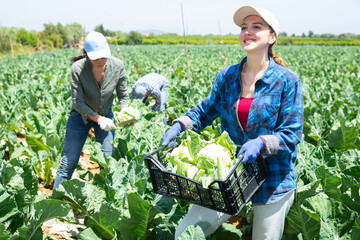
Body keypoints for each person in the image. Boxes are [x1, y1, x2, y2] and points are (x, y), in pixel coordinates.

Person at [162, 6, 303, 240]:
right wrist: (180, 124)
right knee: (185, 233)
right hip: (229, 174)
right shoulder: (227, 76)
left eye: (256, 27)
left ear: (272, 37)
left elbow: (292, 134)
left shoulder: (287, 81)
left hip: (273, 178)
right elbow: (205, 111)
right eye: (243, 28)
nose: (247, 32)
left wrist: (261, 142)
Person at [53, 31, 129, 189]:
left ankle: (109, 204)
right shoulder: (77, 69)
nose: (101, 61)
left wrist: (125, 113)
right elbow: (78, 102)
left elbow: (123, 96)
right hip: (79, 118)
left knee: (107, 163)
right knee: (69, 162)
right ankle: (56, 203)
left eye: (104, 57)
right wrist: (98, 119)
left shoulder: (118, 66)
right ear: (86, 54)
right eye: (96, 58)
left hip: (106, 115)